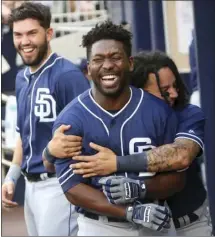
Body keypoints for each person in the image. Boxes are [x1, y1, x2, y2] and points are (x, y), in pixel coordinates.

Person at [44, 20, 187, 236]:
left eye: (115, 57)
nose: (107, 65)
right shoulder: (71, 119)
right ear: (88, 69)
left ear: (130, 63)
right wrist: (130, 211)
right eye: (98, 59)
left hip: (156, 221)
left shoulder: (159, 111)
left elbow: (177, 178)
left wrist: (140, 188)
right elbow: (72, 188)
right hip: (101, 226)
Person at [1, 2, 89, 236]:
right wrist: (12, 176)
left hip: (59, 184)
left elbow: (89, 134)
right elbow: (23, 133)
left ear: (48, 33)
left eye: (32, 33)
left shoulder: (67, 75)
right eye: (18, 34)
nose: (24, 41)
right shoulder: (21, 78)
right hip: (31, 187)